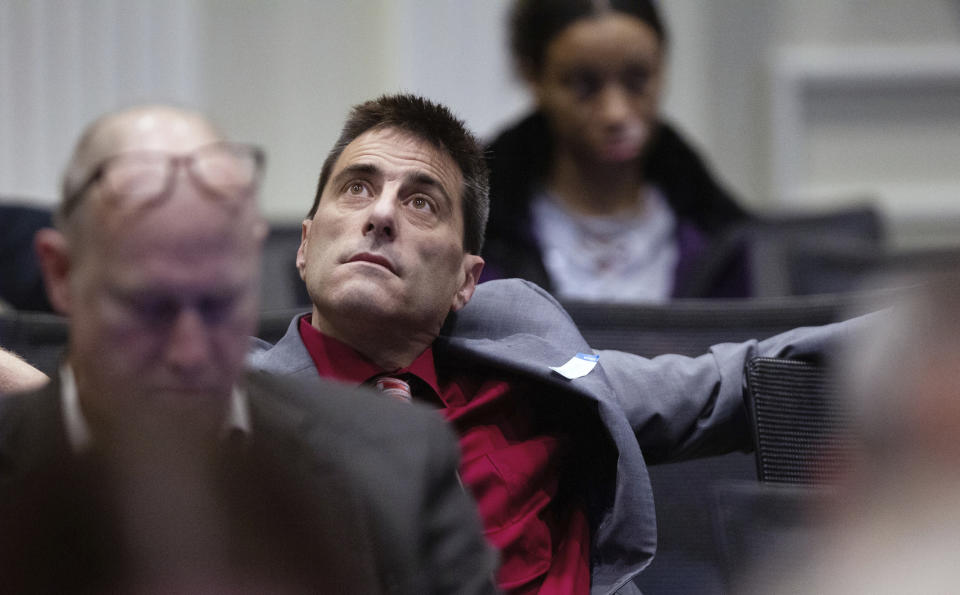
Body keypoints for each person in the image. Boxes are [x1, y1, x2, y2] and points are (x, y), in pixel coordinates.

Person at [249, 92, 865, 594]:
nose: (380, 215)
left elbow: (730, 386)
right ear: (305, 246)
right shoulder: (232, 408)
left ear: (466, 281)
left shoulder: (527, 370)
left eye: (420, 202)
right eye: (357, 187)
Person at [0, 105, 496, 594]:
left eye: (219, 303)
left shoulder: (398, 460)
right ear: (61, 274)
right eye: (150, 306)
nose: (190, 353)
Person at [482, 0, 753, 302]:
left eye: (638, 80)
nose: (616, 114)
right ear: (533, 77)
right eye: (584, 85)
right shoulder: (476, 233)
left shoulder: (720, 233)